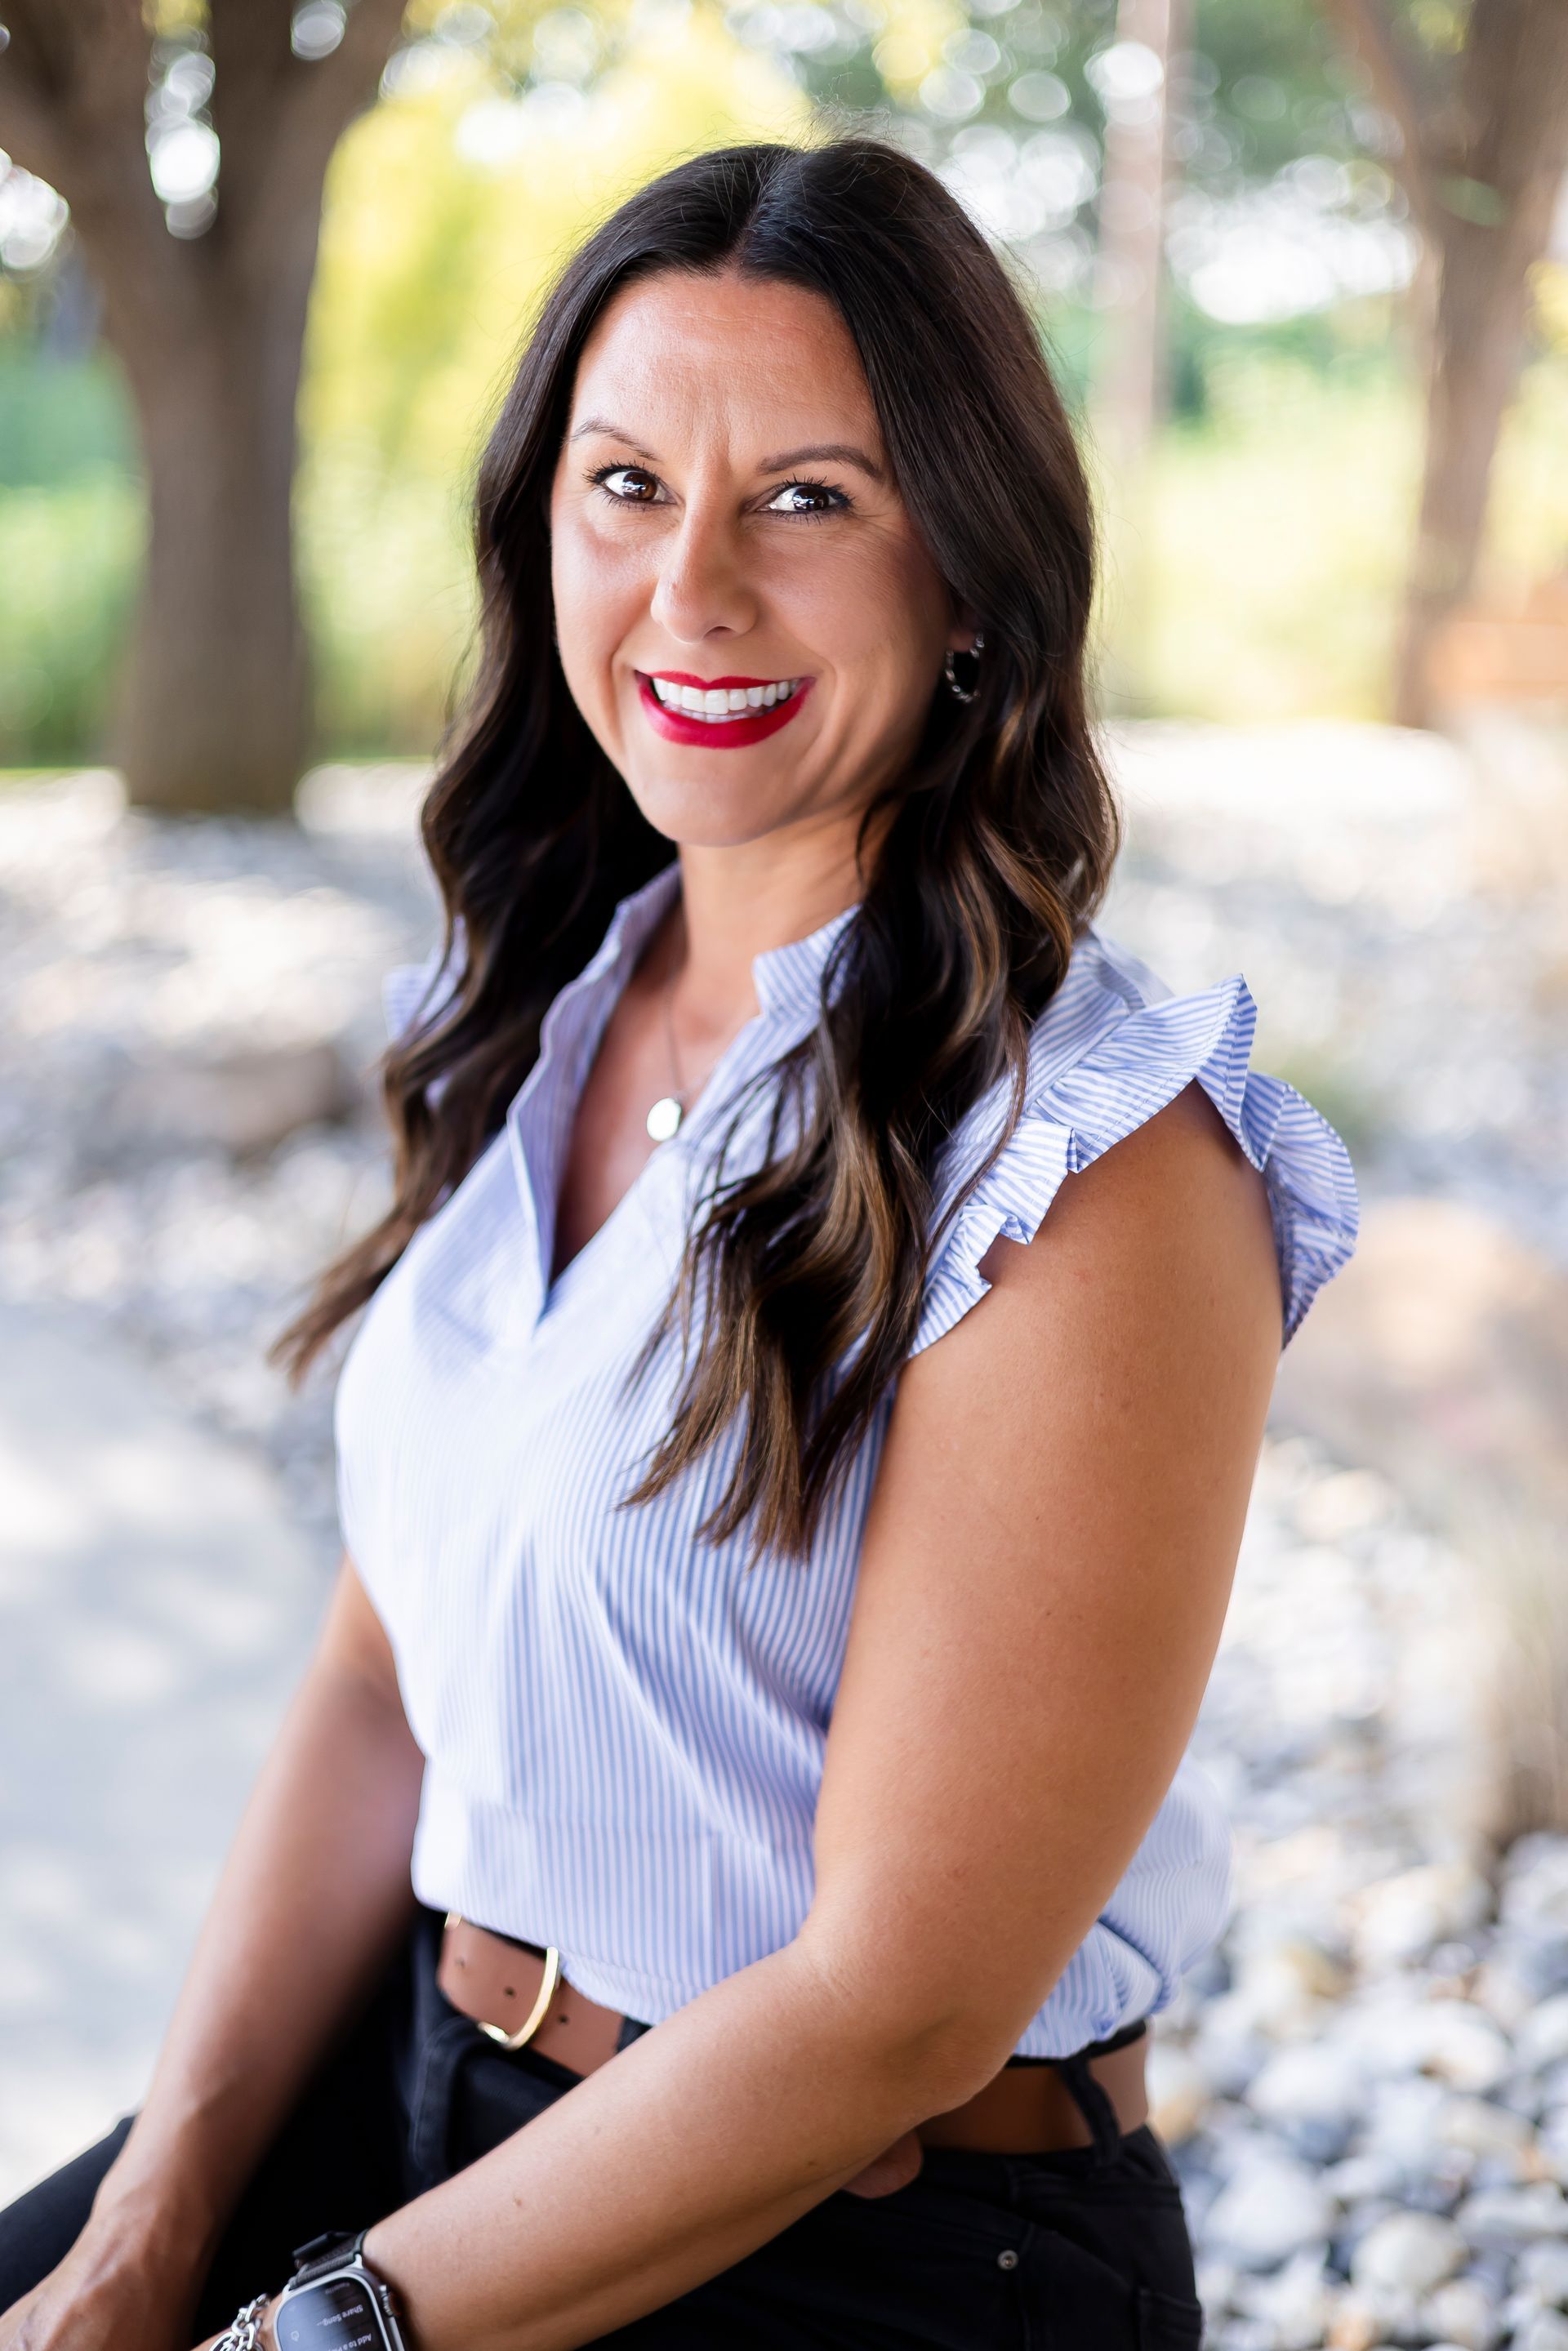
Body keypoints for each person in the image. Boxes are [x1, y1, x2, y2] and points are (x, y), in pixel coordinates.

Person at [0, 136, 1357, 2351]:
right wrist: (155, 2231)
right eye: (627, 487)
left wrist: (311, 2332)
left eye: (809, 499)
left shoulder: (1101, 1174)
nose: (693, 593)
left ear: (975, 574)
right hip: (428, 2089)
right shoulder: (551, 997)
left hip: (859, 2247)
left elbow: (896, 2009)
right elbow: (382, 1681)